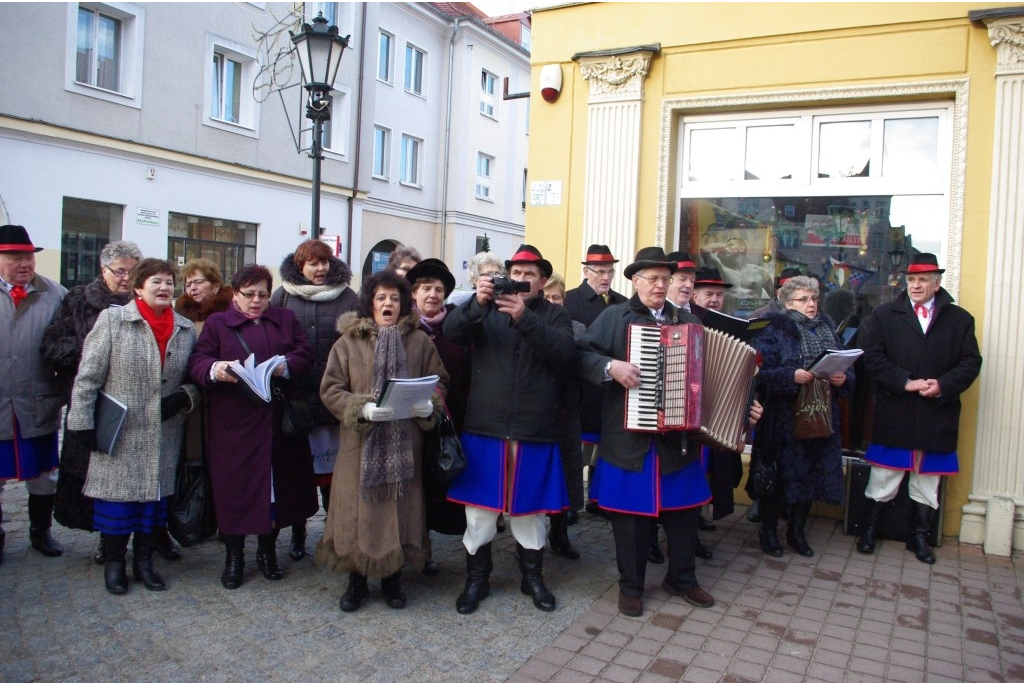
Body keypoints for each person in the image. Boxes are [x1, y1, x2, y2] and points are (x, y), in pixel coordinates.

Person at [577, 247, 717, 617]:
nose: (659, 284)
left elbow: (711, 376)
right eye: (652, 278)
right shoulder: (614, 316)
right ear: (636, 281)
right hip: (630, 441)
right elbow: (580, 355)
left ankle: (682, 578)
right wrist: (611, 367)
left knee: (685, 514)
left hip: (677, 439)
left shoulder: (689, 322)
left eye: (664, 279)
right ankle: (631, 586)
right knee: (631, 519)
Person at [444, 244, 574, 614]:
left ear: (542, 280)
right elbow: (453, 333)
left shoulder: (554, 316)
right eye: (515, 274)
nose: (520, 280)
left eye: (529, 275)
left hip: (534, 429)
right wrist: (476, 303)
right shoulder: (484, 310)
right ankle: (476, 580)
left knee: (530, 512)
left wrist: (524, 318)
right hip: (486, 426)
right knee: (480, 513)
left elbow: (564, 354)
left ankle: (532, 578)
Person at [66, 258, 200, 594]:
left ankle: (144, 562)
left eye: (170, 282)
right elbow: (88, 376)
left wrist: (185, 396)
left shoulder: (184, 329)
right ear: (139, 287)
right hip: (120, 431)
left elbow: (196, 377)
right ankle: (114, 564)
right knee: (118, 501)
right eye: (156, 281)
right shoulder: (114, 321)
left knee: (153, 503)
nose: (164, 288)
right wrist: (81, 423)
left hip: (164, 430)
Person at [317, 270, 448, 611]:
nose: (387, 303)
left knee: (400, 512)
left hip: (405, 445)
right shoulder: (348, 342)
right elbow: (331, 389)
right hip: (360, 446)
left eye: (393, 298)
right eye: (380, 298)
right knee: (356, 513)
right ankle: (356, 581)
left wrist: (428, 403)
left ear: (403, 303)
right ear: (369, 303)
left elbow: (439, 381)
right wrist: (361, 408)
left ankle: (393, 580)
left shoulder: (419, 341)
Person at [188, 265, 318, 589]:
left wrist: (284, 366)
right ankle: (234, 558)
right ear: (235, 295)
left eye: (263, 294)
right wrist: (217, 369)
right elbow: (198, 361)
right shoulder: (218, 324)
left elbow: (305, 353)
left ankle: (267, 551)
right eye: (249, 295)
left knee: (274, 491)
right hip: (234, 424)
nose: (257, 301)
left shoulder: (284, 319)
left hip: (275, 422)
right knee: (235, 491)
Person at [856, 253, 981, 564]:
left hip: (937, 413)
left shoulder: (960, 319)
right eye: (911, 280)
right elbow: (871, 358)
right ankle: (867, 530)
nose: (915, 285)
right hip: (896, 411)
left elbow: (970, 362)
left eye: (923, 280)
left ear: (936, 284)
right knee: (884, 476)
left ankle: (919, 537)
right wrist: (904, 381)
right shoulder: (884, 316)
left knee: (928, 480)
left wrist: (943, 384)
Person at [42, 240, 143, 565]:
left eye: (133, 271)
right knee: (91, 471)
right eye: (120, 271)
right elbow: (53, 343)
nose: (126, 278)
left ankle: (133, 535)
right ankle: (104, 536)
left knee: (127, 472)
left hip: (134, 402)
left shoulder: (142, 301)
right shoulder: (79, 300)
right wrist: (94, 352)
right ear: (104, 270)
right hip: (92, 398)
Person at [748, 275, 853, 558]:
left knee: (810, 476)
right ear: (786, 301)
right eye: (803, 299)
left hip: (819, 415)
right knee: (776, 480)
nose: (811, 305)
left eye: (814, 299)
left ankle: (796, 532)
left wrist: (843, 378)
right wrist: (790, 376)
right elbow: (758, 375)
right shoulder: (774, 327)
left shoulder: (827, 326)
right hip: (783, 419)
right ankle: (768, 532)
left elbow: (844, 362)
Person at [270, 240, 358, 561]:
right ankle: (298, 530)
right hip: (297, 399)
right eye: (312, 264)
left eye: (324, 262)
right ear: (300, 267)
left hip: (334, 398)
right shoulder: (283, 295)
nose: (320, 269)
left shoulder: (348, 297)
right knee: (298, 472)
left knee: (334, 475)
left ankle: (333, 533)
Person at [0, 225, 67, 565]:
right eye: (14, 258)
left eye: (27, 257)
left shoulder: (55, 294)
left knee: (43, 474)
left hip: (37, 399)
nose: (24, 263)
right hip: (0, 402)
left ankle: (40, 532)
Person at [406, 258, 471, 574]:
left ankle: (465, 549)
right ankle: (419, 550)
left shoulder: (457, 329)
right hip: (412, 423)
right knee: (415, 489)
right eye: (426, 289)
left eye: (439, 290)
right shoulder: (404, 329)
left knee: (444, 485)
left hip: (451, 420)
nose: (432, 295)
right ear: (414, 293)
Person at [563, 245, 628, 520]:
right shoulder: (570, 301)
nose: (606, 277)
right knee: (577, 450)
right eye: (600, 271)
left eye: (610, 272)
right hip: (580, 388)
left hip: (611, 388)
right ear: (586, 271)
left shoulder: (622, 303)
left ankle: (598, 499)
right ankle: (569, 503)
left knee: (606, 446)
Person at [542, 272, 584, 560]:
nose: (552, 302)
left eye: (556, 297)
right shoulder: (521, 324)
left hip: (565, 411)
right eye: (546, 297)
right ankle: (528, 541)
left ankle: (560, 534)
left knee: (565, 474)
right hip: (536, 414)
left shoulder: (577, 328)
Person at [174, 258, 234, 335]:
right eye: (188, 285)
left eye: (198, 282)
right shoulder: (181, 312)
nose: (192, 288)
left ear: (216, 286)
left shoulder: (232, 309)